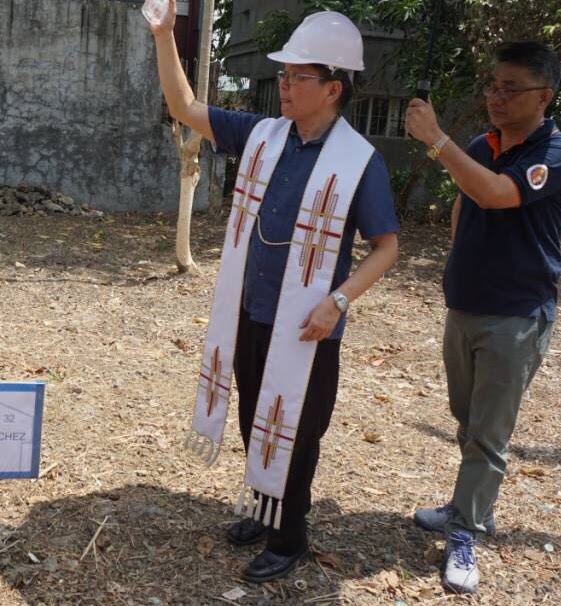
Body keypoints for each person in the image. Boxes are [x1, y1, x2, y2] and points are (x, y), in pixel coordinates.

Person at [150, 2, 400, 582]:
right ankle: (264, 511)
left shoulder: (359, 162)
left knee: (297, 430)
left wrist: (338, 300)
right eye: (283, 75)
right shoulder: (264, 136)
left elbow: (386, 246)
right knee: (254, 417)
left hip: (309, 323)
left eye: (297, 77)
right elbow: (183, 107)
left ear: (333, 88)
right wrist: (165, 35)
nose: (283, 86)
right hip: (252, 310)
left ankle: (290, 538)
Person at [403, 41, 561, 594]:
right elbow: (465, 200)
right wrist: (463, 264)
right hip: (467, 305)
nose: (496, 96)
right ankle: (469, 503)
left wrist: (435, 138)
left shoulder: (556, 153)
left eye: (510, 88)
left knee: (488, 434)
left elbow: (497, 193)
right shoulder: (483, 143)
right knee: (467, 416)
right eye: (493, 85)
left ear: (543, 96)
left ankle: (466, 531)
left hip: (516, 314)